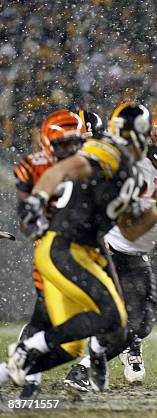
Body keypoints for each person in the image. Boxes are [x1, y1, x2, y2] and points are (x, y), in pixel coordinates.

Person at [2, 103, 157, 392]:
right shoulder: (110, 152)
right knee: (109, 316)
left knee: (87, 339)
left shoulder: (132, 173)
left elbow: (130, 228)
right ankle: (33, 347)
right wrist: (37, 200)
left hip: (87, 250)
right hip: (65, 245)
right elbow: (65, 168)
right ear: (138, 134)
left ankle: (10, 369)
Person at [63, 110, 157, 391]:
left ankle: (106, 353)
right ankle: (76, 368)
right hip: (106, 247)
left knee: (141, 324)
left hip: (135, 255)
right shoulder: (129, 163)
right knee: (115, 320)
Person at [12, 109, 90, 399]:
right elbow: (25, 223)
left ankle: (25, 360)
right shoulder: (33, 167)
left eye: (75, 143)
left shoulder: (91, 164)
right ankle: (27, 369)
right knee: (48, 314)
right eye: (63, 144)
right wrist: (40, 219)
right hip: (54, 252)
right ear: (48, 143)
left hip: (87, 250)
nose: (70, 150)